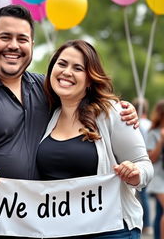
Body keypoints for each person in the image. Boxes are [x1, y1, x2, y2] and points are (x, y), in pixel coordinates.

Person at [0, 5, 140, 239]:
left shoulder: (43, 87)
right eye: (5, 37)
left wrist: (121, 109)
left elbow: (82, 95)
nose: (14, 46)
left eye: (22, 39)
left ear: (32, 46)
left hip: (24, 228)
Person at [36, 39, 153, 238]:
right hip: (60, 231)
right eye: (62, 64)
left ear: (90, 79)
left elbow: (144, 165)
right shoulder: (48, 114)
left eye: (78, 68)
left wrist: (135, 173)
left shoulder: (114, 113)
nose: (67, 72)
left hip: (111, 230)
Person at [132, 98, 153, 235]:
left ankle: (143, 223)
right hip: (149, 164)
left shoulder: (133, 123)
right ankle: (147, 224)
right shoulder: (150, 124)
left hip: (136, 162)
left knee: (139, 196)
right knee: (143, 195)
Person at [146, 99, 164, 239]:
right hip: (158, 178)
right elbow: (152, 158)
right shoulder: (153, 133)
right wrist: (161, 141)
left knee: (159, 212)